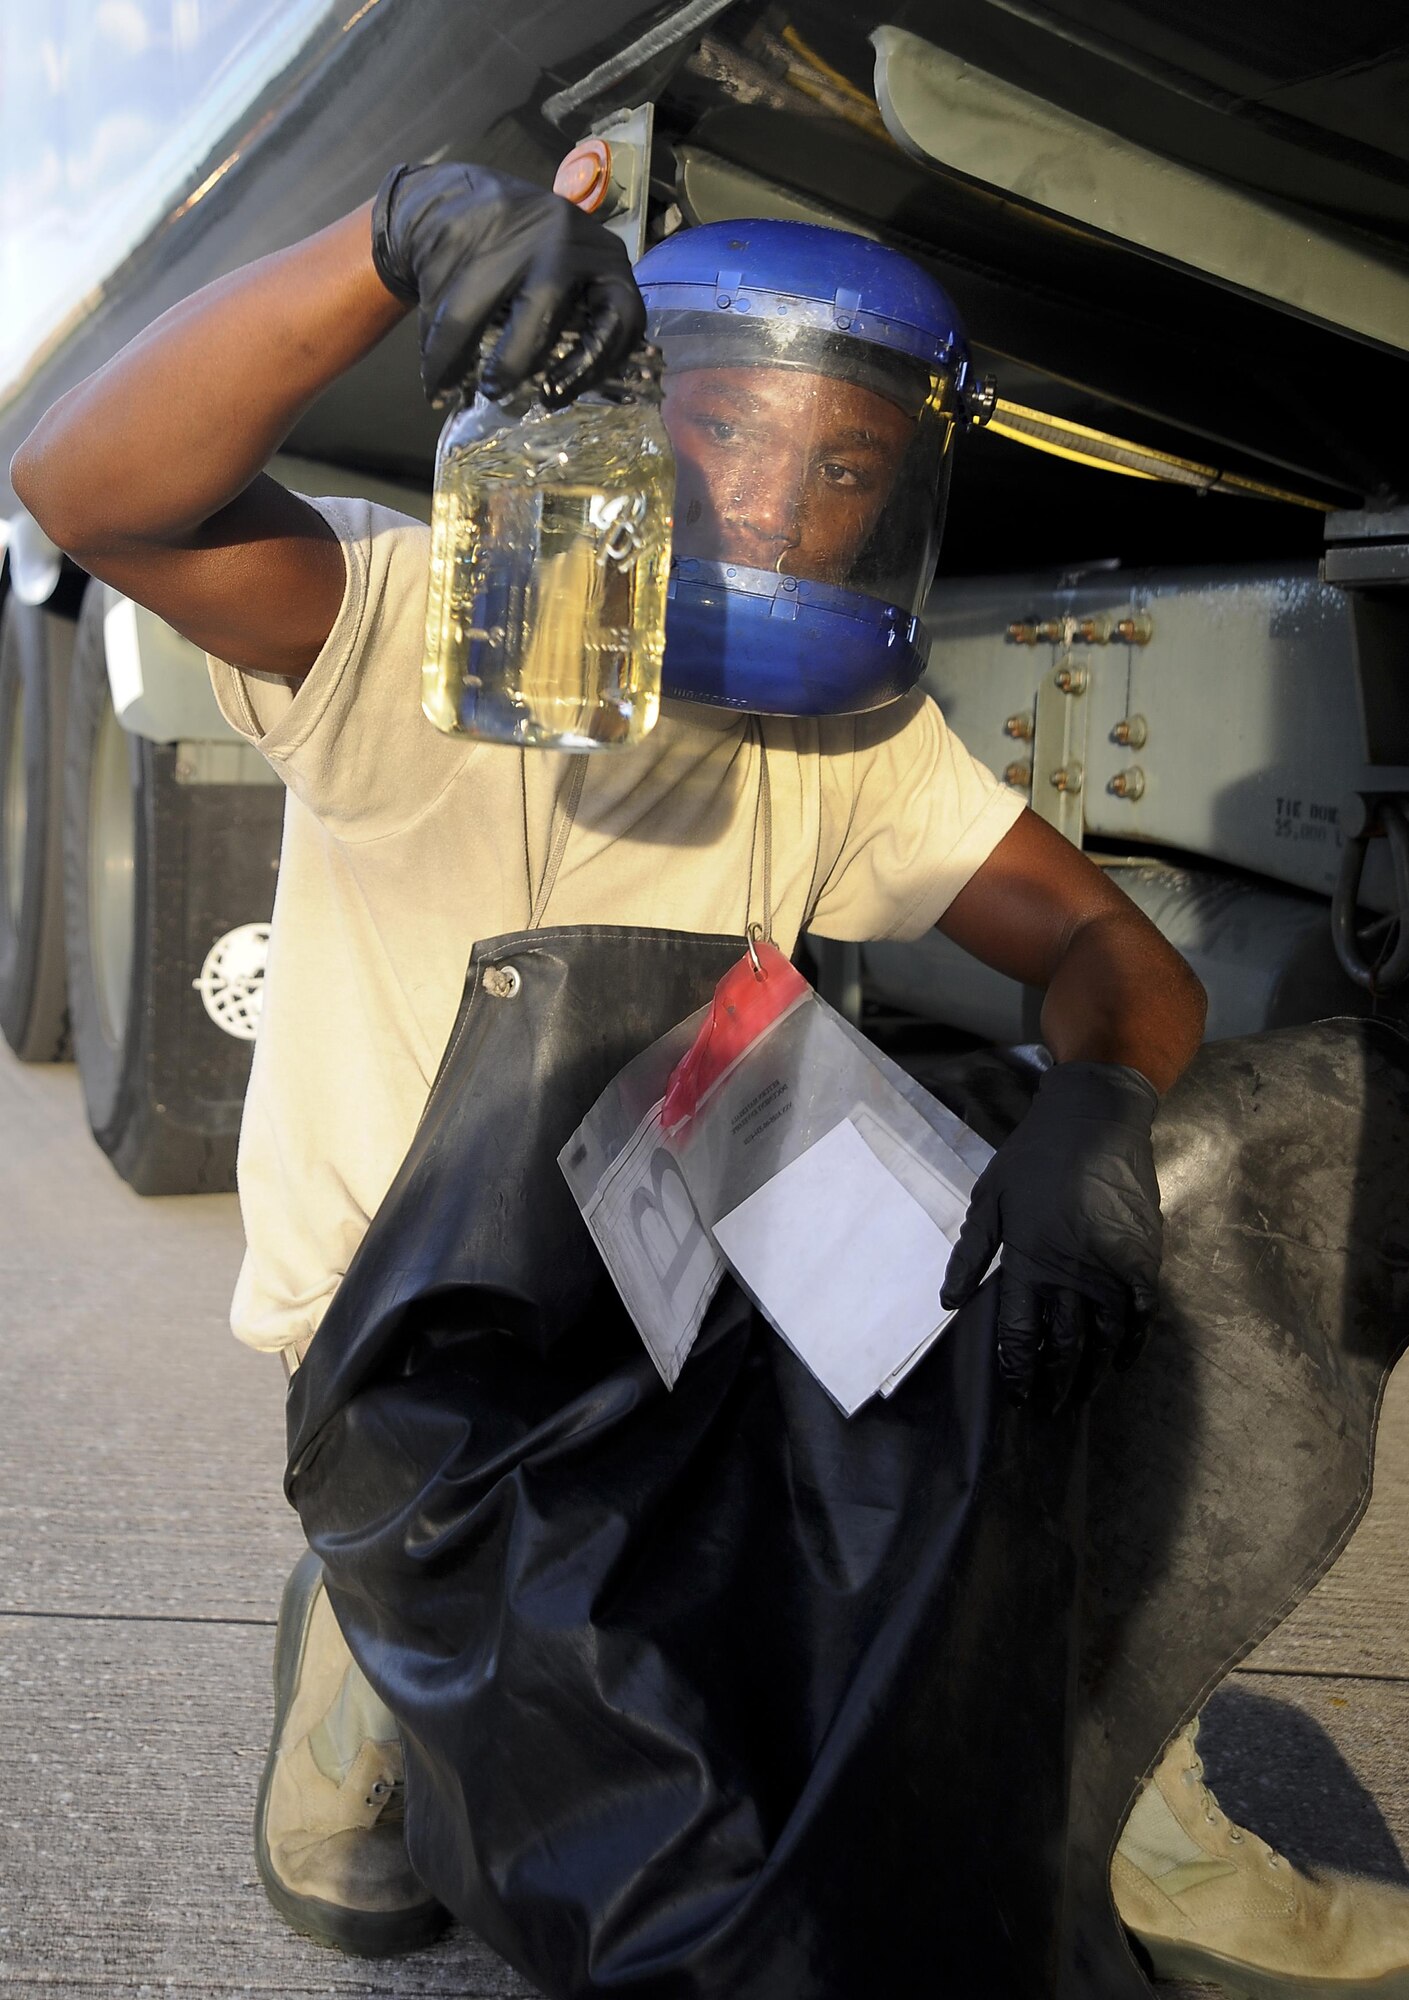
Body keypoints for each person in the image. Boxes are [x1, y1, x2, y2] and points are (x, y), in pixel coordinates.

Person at [10, 163, 1406, 1998]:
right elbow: (86, 489)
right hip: (429, 1343)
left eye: (841, 470)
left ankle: (1101, 1758)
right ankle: (362, 1648)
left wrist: (1090, 1127)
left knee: (1222, 1189)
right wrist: (397, 232)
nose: (776, 503)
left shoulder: (849, 729)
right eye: (725, 431)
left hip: (699, 1253)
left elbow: (1110, 957)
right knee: (659, 1875)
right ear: (618, 411)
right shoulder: (423, 622)